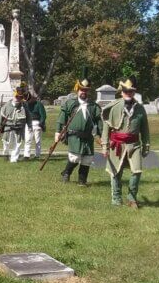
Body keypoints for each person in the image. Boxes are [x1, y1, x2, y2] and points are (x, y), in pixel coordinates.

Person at [101, 77, 150, 208]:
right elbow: (106, 128)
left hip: (134, 145)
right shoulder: (114, 107)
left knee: (137, 171)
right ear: (121, 92)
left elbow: (145, 129)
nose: (128, 93)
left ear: (134, 92)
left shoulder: (140, 109)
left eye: (131, 91)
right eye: (126, 91)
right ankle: (116, 198)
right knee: (116, 172)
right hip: (116, 145)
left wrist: (146, 145)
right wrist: (104, 146)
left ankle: (131, 198)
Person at [55, 78, 102, 185]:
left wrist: (102, 136)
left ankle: (82, 180)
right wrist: (57, 132)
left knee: (87, 159)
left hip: (88, 136)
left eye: (86, 90)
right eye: (81, 90)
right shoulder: (70, 103)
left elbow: (99, 123)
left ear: (88, 91)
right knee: (75, 157)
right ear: (78, 90)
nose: (83, 92)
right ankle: (66, 173)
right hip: (73, 135)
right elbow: (61, 119)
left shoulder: (94, 106)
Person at [0, 87, 32, 162]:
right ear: (14, 96)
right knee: (6, 142)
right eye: (17, 97)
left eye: (20, 97)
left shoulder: (24, 106)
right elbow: (1, 118)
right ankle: (6, 154)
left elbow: (29, 117)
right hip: (8, 128)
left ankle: (14, 159)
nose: (18, 99)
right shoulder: (6, 106)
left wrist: (30, 126)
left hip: (19, 129)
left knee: (17, 144)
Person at [23, 92, 46, 160]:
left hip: (37, 123)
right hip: (28, 123)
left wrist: (41, 123)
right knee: (27, 140)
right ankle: (26, 155)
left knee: (37, 140)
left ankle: (37, 155)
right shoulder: (25, 104)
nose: (28, 101)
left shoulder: (39, 104)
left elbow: (43, 115)